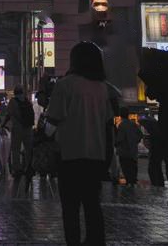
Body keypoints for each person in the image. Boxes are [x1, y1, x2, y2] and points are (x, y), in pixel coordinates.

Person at [44, 41, 113, 246]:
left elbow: (53, 120)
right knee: (93, 205)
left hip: (70, 154)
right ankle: (95, 241)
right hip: (96, 155)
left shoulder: (65, 85)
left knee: (70, 208)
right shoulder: (102, 88)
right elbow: (107, 123)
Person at [4, 85, 35, 178]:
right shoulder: (27, 101)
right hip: (28, 128)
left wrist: (3, 124)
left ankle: (17, 169)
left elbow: (9, 114)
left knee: (16, 149)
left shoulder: (13, 101)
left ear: (15, 92)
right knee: (28, 149)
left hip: (18, 129)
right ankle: (29, 167)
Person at [115, 106, 143, 186]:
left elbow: (119, 139)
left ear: (120, 115)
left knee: (125, 167)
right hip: (133, 150)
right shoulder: (133, 123)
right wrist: (135, 142)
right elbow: (140, 135)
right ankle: (133, 181)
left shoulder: (121, 125)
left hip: (124, 151)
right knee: (133, 166)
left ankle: (128, 182)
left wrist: (115, 143)